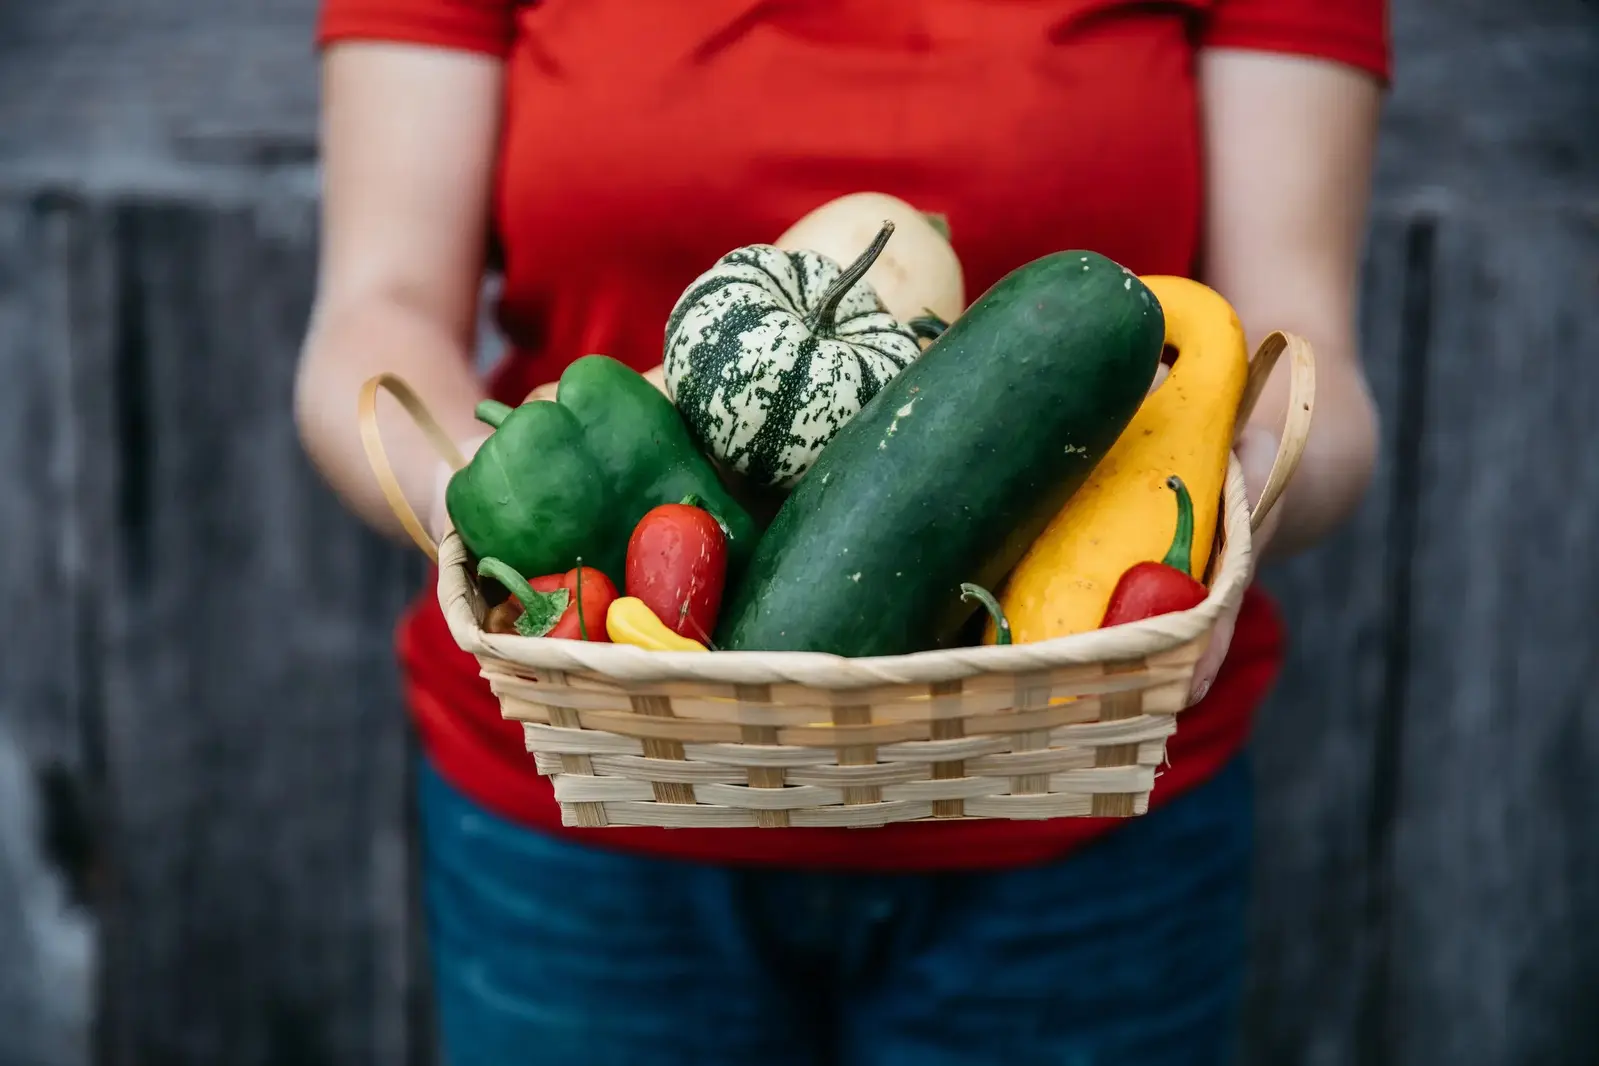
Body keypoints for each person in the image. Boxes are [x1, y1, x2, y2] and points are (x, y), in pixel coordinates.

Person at [295, 2, 1388, 1063]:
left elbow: (1312, 370)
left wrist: (1231, 508)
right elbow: (378, 309)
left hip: (1077, 803)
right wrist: (477, 501)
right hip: (586, 789)